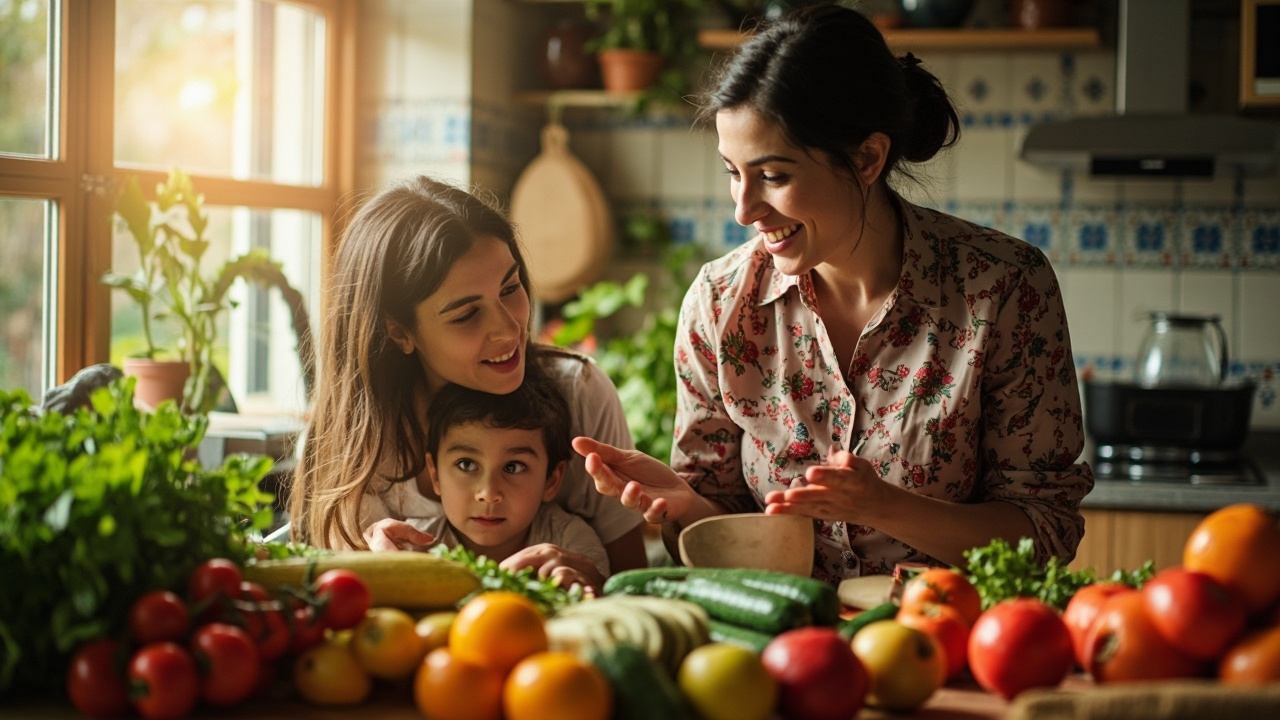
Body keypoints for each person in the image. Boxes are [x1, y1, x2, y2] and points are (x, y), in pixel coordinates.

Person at [573, 4, 1094, 583]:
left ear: (868, 157)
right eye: (733, 172)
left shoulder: (1005, 288)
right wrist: (688, 509)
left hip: (945, 629)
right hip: (784, 634)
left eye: (774, 176)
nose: (743, 210)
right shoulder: (719, 303)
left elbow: (1045, 531)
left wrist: (884, 506)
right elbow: (720, 537)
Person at [288, 175, 646, 588]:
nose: (509, 329)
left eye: (510, 288)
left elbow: (636, 584)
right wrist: (361, 563)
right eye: (466, 315)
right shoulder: (353, 443)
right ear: (399, 332)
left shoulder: (579, 393)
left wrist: (596, 582)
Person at [420, 376, 609, 589]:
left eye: (513, 467)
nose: (489, 493)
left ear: (551, 481)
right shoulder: (413, 547)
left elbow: (607, 600)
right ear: (435, 475)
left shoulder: (571, 543)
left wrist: (589, 587)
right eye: (466, 464)